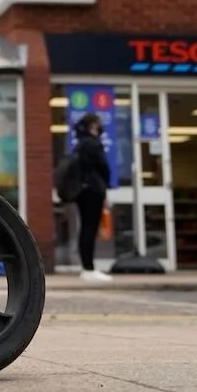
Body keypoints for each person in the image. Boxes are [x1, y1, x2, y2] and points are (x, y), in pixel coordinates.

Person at [71, 112, 113, 285]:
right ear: (93, 125)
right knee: (90, 228)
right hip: (93, 191)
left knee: (85, 228)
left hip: (82, 191)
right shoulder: (93, 144)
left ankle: (87, 267)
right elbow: (103, 168)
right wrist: (105, 189)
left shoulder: (80, 144)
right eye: (98, 123)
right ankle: (89, 269)